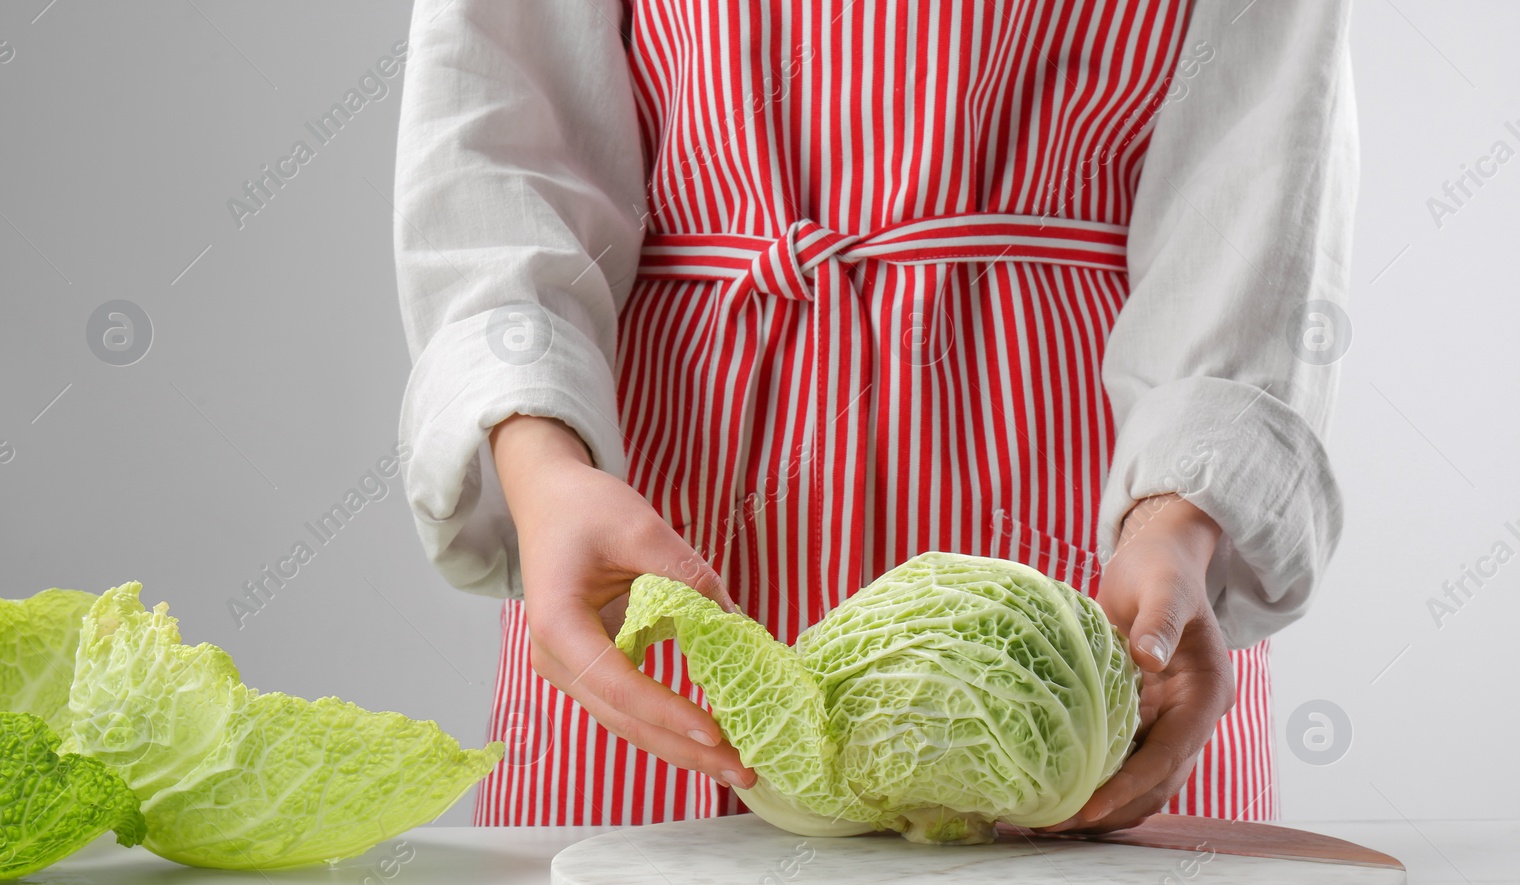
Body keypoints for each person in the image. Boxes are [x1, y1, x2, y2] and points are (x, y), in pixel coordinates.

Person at [391, 0, 1357, 833]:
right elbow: (499, 138)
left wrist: (1182, 520)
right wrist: (543, 467)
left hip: (1094, 529)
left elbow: (1262, 159)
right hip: (656, 521)